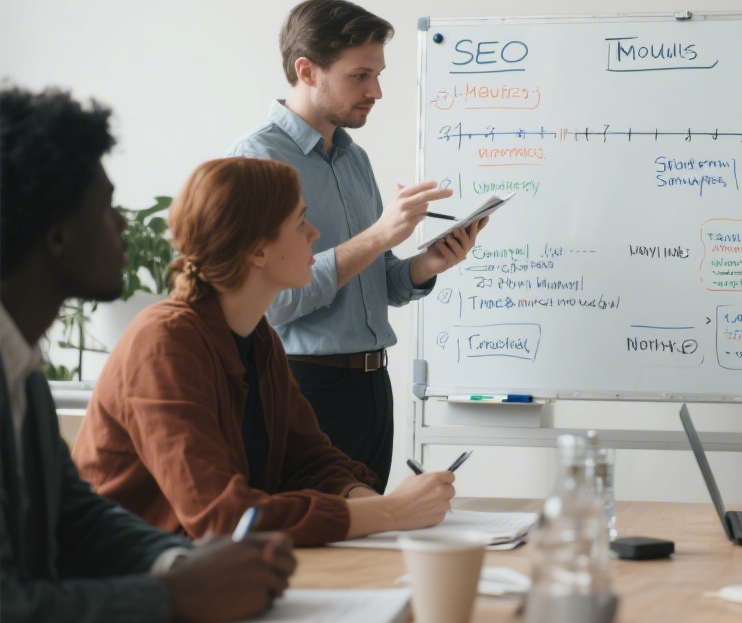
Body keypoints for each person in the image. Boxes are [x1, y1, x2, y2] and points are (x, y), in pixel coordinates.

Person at [0, 86, 295, 622]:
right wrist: (178, 595)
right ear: (58, 234)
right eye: (105, 208)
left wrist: (189, 565)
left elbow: (76, 518)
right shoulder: (162, 339)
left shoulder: (20, 366)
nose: (122, 225)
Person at [74, 158, 457, 547]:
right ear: (257, 251)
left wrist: (382, 506)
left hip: (198, 565)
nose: (314, 233)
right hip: (123, 571)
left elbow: (311, 461)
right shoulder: (162, 345)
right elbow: (221, 517)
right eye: (300, 222)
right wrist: (390, 512)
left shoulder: (259, 337)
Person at [227, 0, 485, 490]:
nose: (376, 92)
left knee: (375, 530)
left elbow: (380, 281)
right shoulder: (257, 161)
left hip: (371, 390)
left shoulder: (353, 159)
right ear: (307, 70)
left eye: (378, 75)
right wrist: (379, 234)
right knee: (319, 533)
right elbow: (269, 305)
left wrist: (426, 265)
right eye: (360, 76)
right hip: (303, 388)